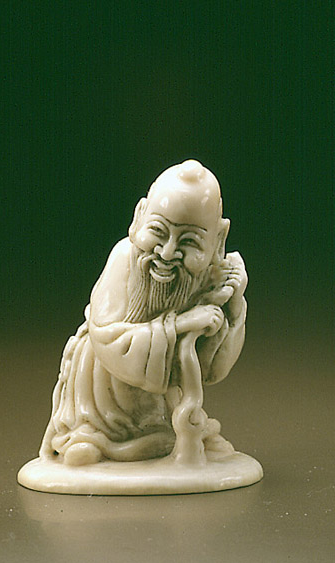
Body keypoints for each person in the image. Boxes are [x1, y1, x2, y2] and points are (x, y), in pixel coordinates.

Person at [39, 159, 248, 466]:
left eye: (190, 241)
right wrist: (180, 324)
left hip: (165, 400)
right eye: (158, 232)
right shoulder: (124, 257)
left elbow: (211, 369)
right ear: (139, 217)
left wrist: (233, 305)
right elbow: (106, 337)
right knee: (91, 420)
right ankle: (93, 436)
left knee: (183, 423)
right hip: (105, 388)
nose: (167, 252)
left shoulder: (208, 274)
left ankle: (177, 434)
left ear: (217, 240)